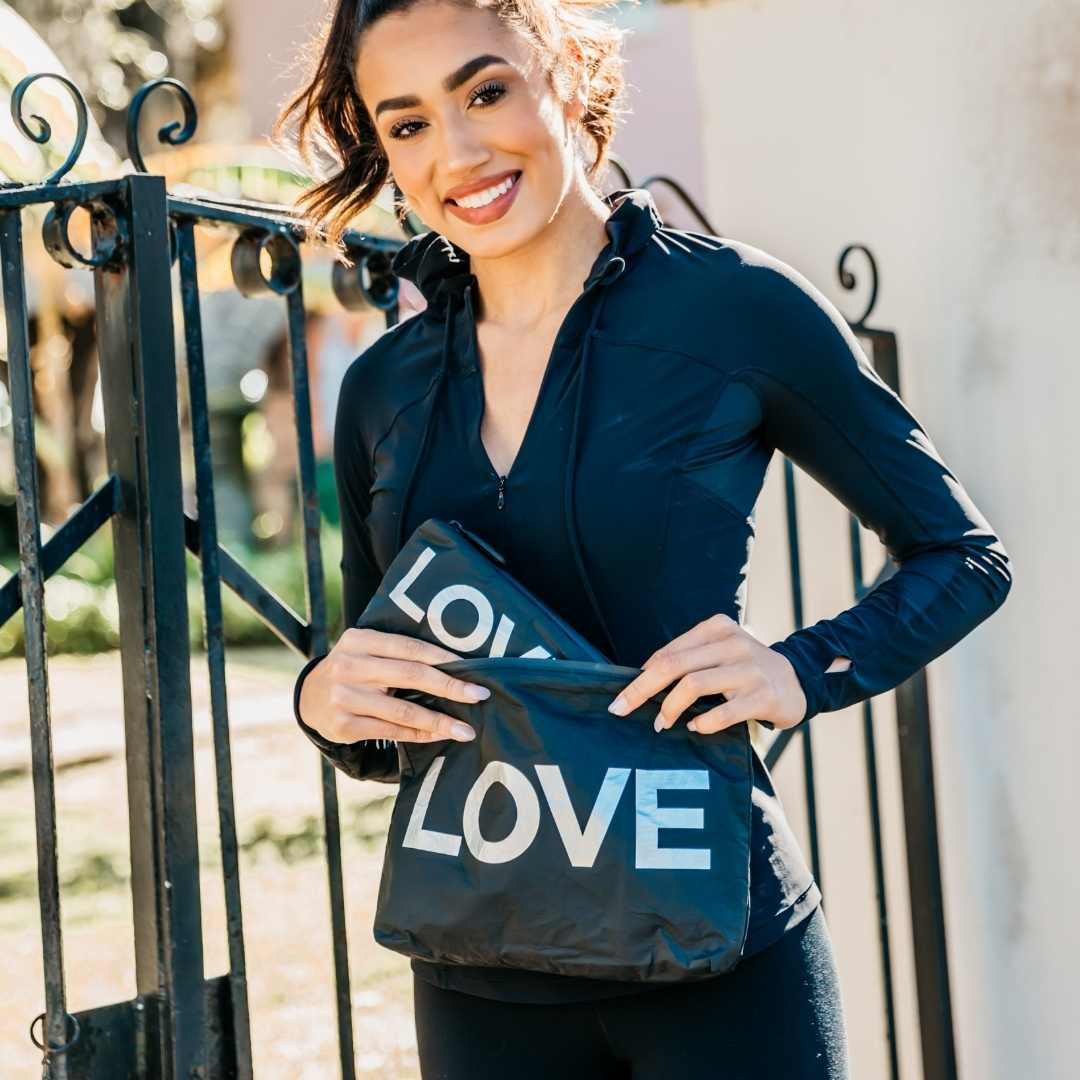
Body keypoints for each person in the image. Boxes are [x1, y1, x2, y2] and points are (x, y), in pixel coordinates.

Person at [277, 1, 1014, 1076]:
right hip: (480, 976)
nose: (460, 153)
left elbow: (962, 553)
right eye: (409, 125)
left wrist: (799, 670)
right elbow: (379, 696)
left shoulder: (735, 310)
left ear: (567, 75)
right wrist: (322, 699)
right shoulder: (386, 386)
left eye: (487, 92)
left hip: (718, 953)